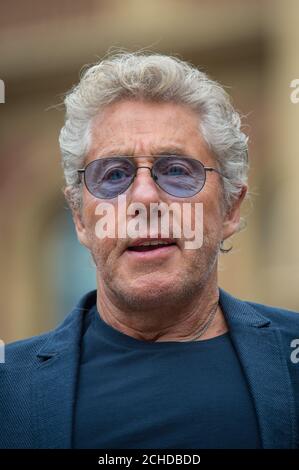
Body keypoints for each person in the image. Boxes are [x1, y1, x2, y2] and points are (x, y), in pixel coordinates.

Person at [1, 52, 298, 449]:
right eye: (114, 175)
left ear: (231, 208)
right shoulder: (9, 389)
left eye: (177, 171)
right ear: (79, 218)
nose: (143, 197)